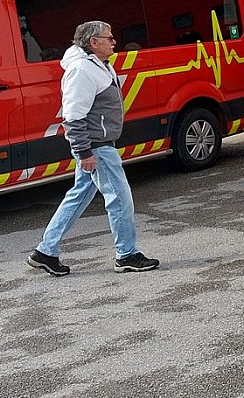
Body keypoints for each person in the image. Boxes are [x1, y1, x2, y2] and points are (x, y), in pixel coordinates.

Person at [28, 20, 158, 275]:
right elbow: (73, 117)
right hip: (97, 148)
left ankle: (45, 251)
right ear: (93, 42)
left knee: (78, 197)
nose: (114, 42)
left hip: (96, 146)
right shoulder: (82, 69)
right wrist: (84, 152)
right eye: (109, 38)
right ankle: (127, 254)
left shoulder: (96, 65)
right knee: (120, 199)